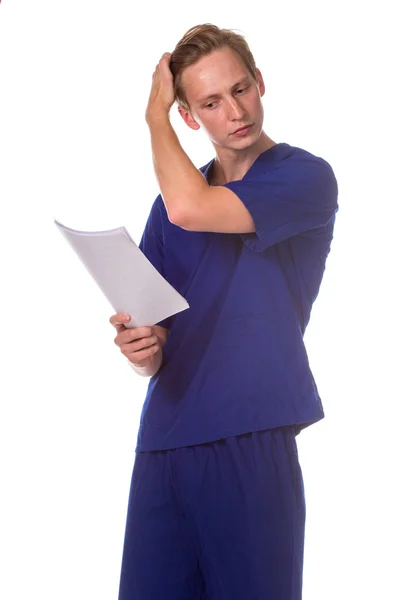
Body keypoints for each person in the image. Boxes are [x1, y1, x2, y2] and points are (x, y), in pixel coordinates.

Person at [110, 23, 338, 600]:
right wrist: (142, 349)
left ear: (260, 83)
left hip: (251, 438)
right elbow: (150, 338)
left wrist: (154, 117)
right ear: (194, 117)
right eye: (210, 102)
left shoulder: (303, 177)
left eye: (241, 89)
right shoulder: (168, 207)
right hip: (164, 442)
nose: (235, 111)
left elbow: (195, 209)